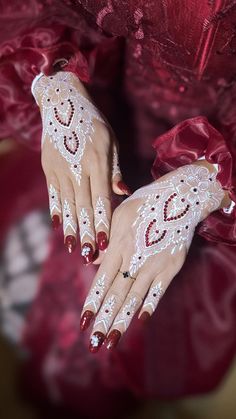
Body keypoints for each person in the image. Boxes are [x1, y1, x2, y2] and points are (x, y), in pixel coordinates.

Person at [0, 1, 236, 417]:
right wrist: (57, 87)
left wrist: (201, 185)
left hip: (216, 195)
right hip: (101, 115)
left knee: (125, 337)